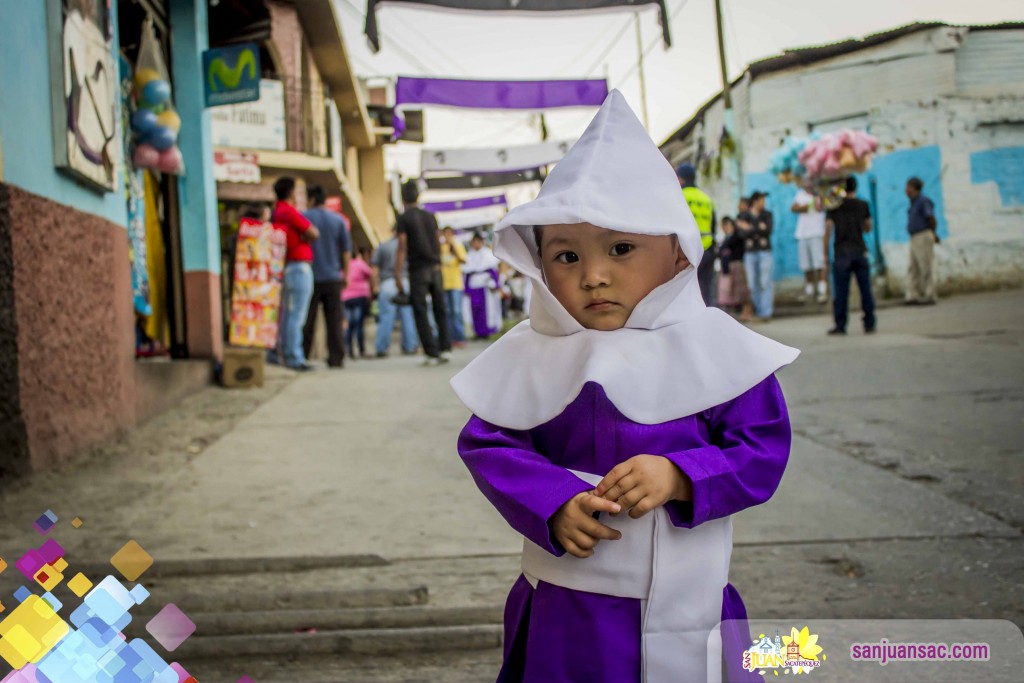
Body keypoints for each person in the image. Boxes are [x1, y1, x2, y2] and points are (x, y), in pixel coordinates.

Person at [451, 90, 798, 683]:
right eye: (565, 256)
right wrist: (552, 499)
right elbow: (489, 444)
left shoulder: (718, 353)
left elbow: (761, 449)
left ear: (677, 256)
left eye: (621, 248)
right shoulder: (533, 356)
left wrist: (683, 474)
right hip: (567, 614)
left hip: (691, 604)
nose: (593, 276)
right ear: (539, 266)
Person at [393, 180, 451, 366]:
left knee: (420, 310)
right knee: (440, 308)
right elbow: (437, 240)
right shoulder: (430, 216)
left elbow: (402, 246)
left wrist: (397, 273)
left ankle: (431, 352)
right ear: (418, 196)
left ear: (402, 198)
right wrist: (438, 261)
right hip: (435, 267)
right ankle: (444, 347)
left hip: (418, 269)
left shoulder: (403, 218)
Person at [272, 176, 319, 371]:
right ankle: (294, 357)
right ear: (292, 192)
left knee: (288, 315)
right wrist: (303, 237)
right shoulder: (289, 212)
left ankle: (285, 353)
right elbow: (314, 233)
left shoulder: (276, 213)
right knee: (296, 316)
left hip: (287, 267)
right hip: (298, 267)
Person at [302, 185, 351, 368]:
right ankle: (336, 358)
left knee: (308, 320)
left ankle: (304, 354)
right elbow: (346, 251)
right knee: (334, 320)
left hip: (311, 276)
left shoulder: (305, 218)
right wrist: (346, 274)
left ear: (312, 199)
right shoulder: (338, 221)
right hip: (333, 277)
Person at [824, 176, 876, 335]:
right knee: (865, 290)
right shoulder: (863, 205)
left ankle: (840, 325)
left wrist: (825, 253)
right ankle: (869, 324)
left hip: (841, 253)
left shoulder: (834, 206)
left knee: (841, 292)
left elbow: (828, 229)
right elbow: (868, 227)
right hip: (860, 251)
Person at [370, 230, 418, 358]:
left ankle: (382, 348)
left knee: (385, 317)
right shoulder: (409, 247)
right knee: (408, 317)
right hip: (405, 282)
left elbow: (375, 269)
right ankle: (410, 346)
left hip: (387, 283)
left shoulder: (383, 246)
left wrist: (375, 285)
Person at [676, 162, 716, 306]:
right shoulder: (706, 198)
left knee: (686, 290)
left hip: (685, 251)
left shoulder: (679, 197)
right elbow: (713, 226)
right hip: (707, 248)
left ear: (682, 179)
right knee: (706, 288)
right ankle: (708, 320)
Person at [738, 191, 774, 321]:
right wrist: (758, 228)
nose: (763, 203)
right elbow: (741, 234)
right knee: (752, 284)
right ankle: (758, 311)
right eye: (761, 200)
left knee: (765, 282)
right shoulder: (745, 216)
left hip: (764, 251)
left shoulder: (767, 215)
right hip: (750, 252)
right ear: (755, 201)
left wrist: (749, 228)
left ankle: (765, 313)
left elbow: (768, 230)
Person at [904, 177, 938, 306]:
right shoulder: (913, 202)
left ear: (914, 188)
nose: (906, 190)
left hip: (923, 235)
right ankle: (913, 295)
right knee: (913, 267)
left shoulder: (923, 201)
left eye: (908, 187)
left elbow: (931, 218)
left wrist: (933, 234)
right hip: (914, 237)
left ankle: (930, 294)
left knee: (926, 265)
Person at [791, 188, 828, 303]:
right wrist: (805, 207)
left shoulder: (821, 194)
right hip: (803, 233)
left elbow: (821, 206)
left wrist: (816, 200)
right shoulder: (800, 194)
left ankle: (822, 291)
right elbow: (793, 208)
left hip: (816, 233)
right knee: (806, 265)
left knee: (819, 263)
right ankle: (809, 291)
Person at [462, 232, 502, 339]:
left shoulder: (487, 254)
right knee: (474, 310)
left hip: (485, 286)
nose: (476, 244)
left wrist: (496, 283)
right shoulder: (469, 255)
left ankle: (487, 331)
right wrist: (466, 288)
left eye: (478, 241)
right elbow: (467, 273)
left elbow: (493, 271)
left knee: (487, 309)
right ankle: (478, 331)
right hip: (473, 286)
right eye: (474, 241)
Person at [719, 216, 754, 322]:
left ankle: (747, 311)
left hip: (737, 264)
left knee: (741, 289)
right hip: (727, 266)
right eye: (725, 225)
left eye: (729, 225)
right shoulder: (725, 238)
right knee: (729, 291)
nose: (727, 227)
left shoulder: (737, 236)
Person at [342, 248, 373, 359]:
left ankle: (349, 349)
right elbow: (370, 273)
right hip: (360, 296)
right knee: (358, 324)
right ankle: (361, 349)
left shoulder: (343, 266)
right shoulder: (360, 263)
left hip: (346, 297)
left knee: (349, 324)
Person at [440, 226, 469, 348]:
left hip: (456, 283)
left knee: (456, 311)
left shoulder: (458, 246)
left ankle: (460, 337)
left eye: (449, 233)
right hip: (444, 283)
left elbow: (463, 260)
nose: (447, 236)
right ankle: (450, 337)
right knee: (447, 312)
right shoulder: (440, 248)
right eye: (445, 233)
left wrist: (453, 248)